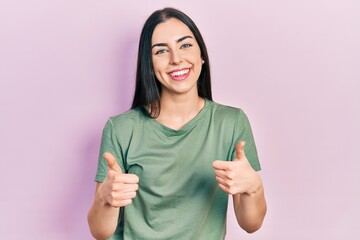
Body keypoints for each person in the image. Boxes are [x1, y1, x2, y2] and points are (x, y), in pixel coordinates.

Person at [88, 7, 266, 240]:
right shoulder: (121, 129)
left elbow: (250, 224)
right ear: (149, 65)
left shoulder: (231, 123)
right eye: (161, 51)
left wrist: (254, 186)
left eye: (185, 45)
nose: (176, 59)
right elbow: (100, 232)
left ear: (201, 54)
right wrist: (106, 198)